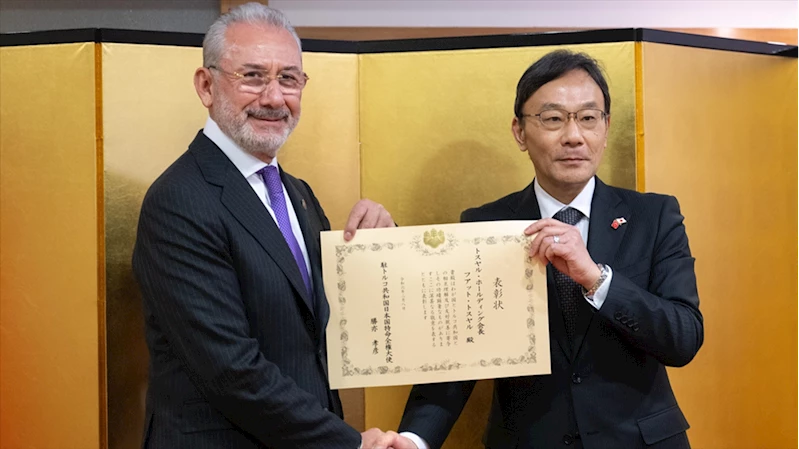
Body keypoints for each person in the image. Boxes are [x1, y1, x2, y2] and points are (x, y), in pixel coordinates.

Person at [132, 4, 414, 448]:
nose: (274, 98)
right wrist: (350, 444)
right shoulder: (180, 200)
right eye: (252, 76)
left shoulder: (297, 194)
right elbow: (231, 370)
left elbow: (319, 326)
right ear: (206, 85)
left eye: (289, 79)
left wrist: (381, 248)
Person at [397, 50, 704, 449]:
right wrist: (414, 439)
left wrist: (597, 279)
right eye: (553, 119)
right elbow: (457, 359)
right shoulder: (485, 225)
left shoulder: (654, 216)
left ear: (606, 128)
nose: (574, 136)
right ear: (520, 132)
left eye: (588, 118)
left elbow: (683, 337)